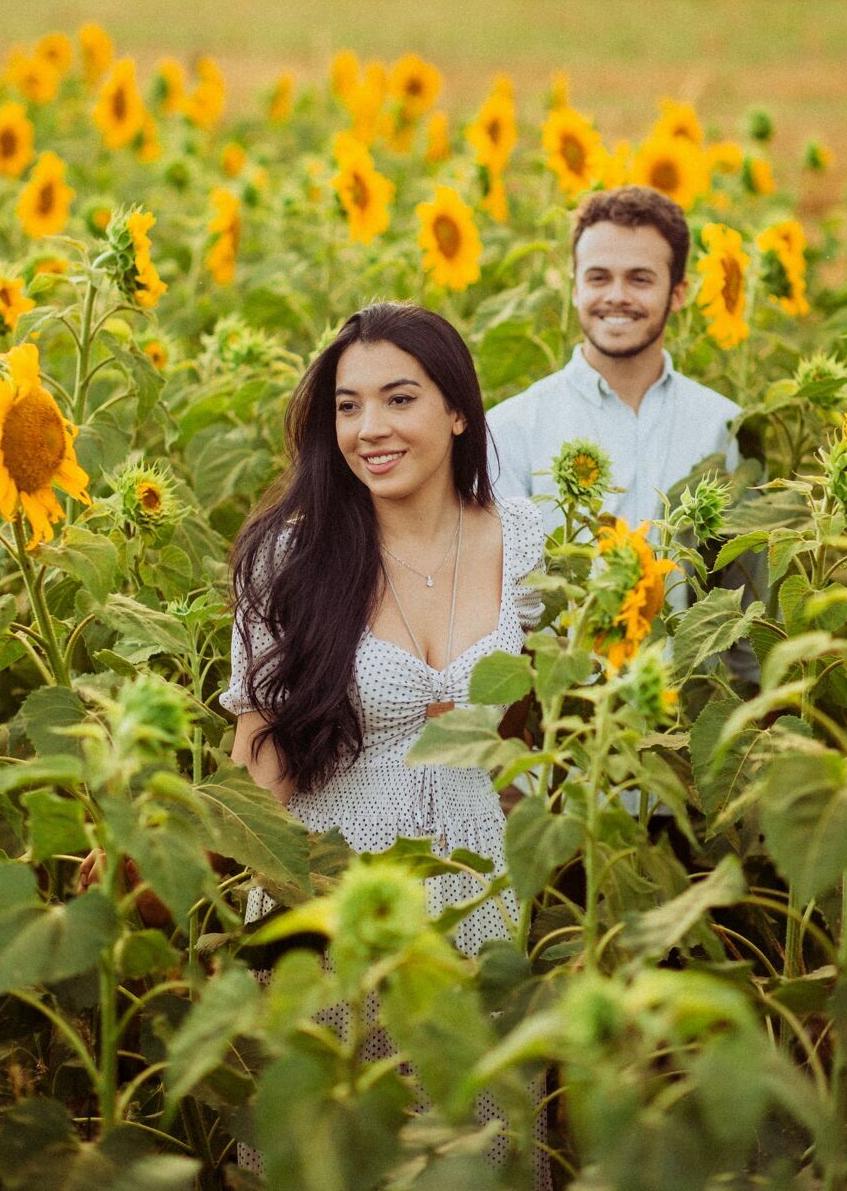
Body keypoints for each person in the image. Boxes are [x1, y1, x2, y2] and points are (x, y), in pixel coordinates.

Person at [219, 300, 550, 1185]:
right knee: (330, 1151)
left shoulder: (526, 541)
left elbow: (539, 738)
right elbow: (261, 771)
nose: (370, 429)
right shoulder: (287, 559)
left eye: (399, 399)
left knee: (479, 1155)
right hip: (335, 911)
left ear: (457, 411)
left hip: (481, 906)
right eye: (348, 405)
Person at [486, 185, 742, 539]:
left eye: (640, 279)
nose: (617, 296)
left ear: (678, 293)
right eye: (598, 278)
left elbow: (742, 585)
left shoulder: (723, 428)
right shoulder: (508, 433)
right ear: (575, 290)